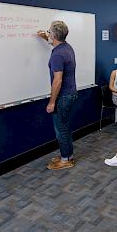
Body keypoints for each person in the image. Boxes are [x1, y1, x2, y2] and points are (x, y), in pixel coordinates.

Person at [37, 21, 78, 170]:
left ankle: (66, 159)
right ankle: (67, 155)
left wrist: (52, 102)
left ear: (54, 35)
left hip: (63, 97)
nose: (47, 34)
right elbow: (54, 43)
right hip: (71, 94)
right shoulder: (66, 47)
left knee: (61, 129)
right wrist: (44, 36)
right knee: (65, 126)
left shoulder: (57, 55)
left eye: (49, 32)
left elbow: (57, 81)